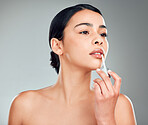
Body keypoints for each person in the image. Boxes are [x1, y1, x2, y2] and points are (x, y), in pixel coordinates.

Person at [8, 4, 137, 125]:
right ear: (58, 46)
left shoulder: (119, 106)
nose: (99, 40)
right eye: (85, 32)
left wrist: (106, 118)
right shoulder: (24, 105)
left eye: (103, 34)